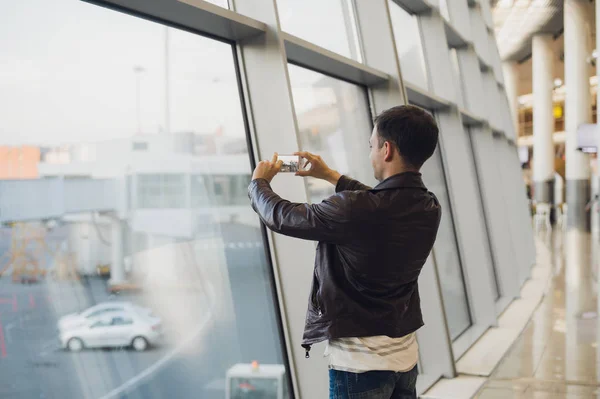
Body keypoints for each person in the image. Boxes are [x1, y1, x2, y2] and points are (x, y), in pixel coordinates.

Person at [248, 105, 441, 399]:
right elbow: (381, 201)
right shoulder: (428, 206)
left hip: (360, 368)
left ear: (386, 149)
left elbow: (283, 216)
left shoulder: (356, 209)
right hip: (405, 359)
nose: (371, 153)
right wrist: (329, 175)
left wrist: (258, 184)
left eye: (371, 146)